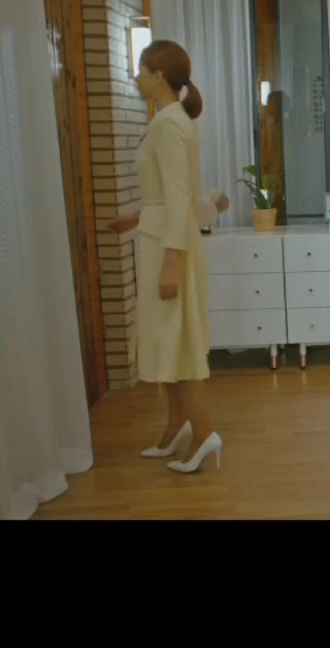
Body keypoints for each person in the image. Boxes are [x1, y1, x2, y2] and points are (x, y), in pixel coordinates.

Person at [108, 39, 222, 473]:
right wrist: (137, 217)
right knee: (167, 342)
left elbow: (178, 198)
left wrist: (172, 263)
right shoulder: (170, 121)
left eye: (141, 70)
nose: (136, 78)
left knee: (181, 343)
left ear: (158, 76)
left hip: (169, 248)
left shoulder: (169, 125)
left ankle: (204, 434)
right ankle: (177, 425)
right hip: (162, 239)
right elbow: (170, 196)